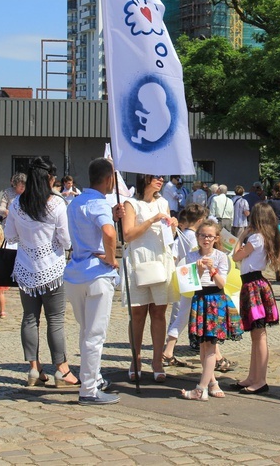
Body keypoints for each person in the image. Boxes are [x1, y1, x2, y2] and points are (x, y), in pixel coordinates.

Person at [4, 157, 78, 388]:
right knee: (55, 319)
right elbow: (66, 241)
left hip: (26, 268)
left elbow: (10, 236)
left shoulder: (17, 204)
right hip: (52, 268)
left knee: (29, 318)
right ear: (49, 179)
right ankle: (62, 369)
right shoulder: (56, 204)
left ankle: (34, 369)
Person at [65, 158, 124, 405]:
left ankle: (93, 378)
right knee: (95, 335)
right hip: (96, 274)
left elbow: (92, 226)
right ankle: (89, 389)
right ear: (109, 179)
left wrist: (111, 216)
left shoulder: (75, 201)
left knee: (86, 331)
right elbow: (109, 233)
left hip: (75, 272)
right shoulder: (99, 203)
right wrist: (111, 259)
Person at [122, 174, 179, 382]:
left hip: (160, 258)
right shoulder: (132, 203)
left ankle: (157, 360)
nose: (161, 179)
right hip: (139, 258)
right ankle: (135, 358)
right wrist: (152, 220)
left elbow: (169, 236)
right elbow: (128, 235)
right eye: (156, 176)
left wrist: (172, 224)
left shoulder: (163, 202)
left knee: (158, 311)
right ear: (145, 178)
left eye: (162, 177)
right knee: (138, 313)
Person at [181, 220, 243, 400]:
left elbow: (222, 283)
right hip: (200, 299)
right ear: (197, 236)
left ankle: (201, 389)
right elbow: (189, 285)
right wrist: (199, 271)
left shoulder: (221, 257)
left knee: (211, 347)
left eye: (209, 236)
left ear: (216, 238)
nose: (205, 239)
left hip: (216, 300)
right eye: (202, 235)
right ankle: (212, 382)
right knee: (203, 347)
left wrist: (211, 269)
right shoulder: (191, 256)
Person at [230, 203, 280, 394]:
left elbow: (236, 256)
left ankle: (260, 379)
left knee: (258, 334)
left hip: (253, 285)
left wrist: (241, 237)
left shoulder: (256, 238)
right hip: (255, 284)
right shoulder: (265, 238)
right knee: (255, 334)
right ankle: (253, 376)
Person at [162, 203, 207, 368]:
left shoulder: (183, 234)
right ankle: (170, 348)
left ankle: (170, 348)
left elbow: (174, 255)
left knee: (180, 312)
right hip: (192, 275)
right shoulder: (192, 237)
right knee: (186, 312)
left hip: (183, 273)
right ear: (201, 220)